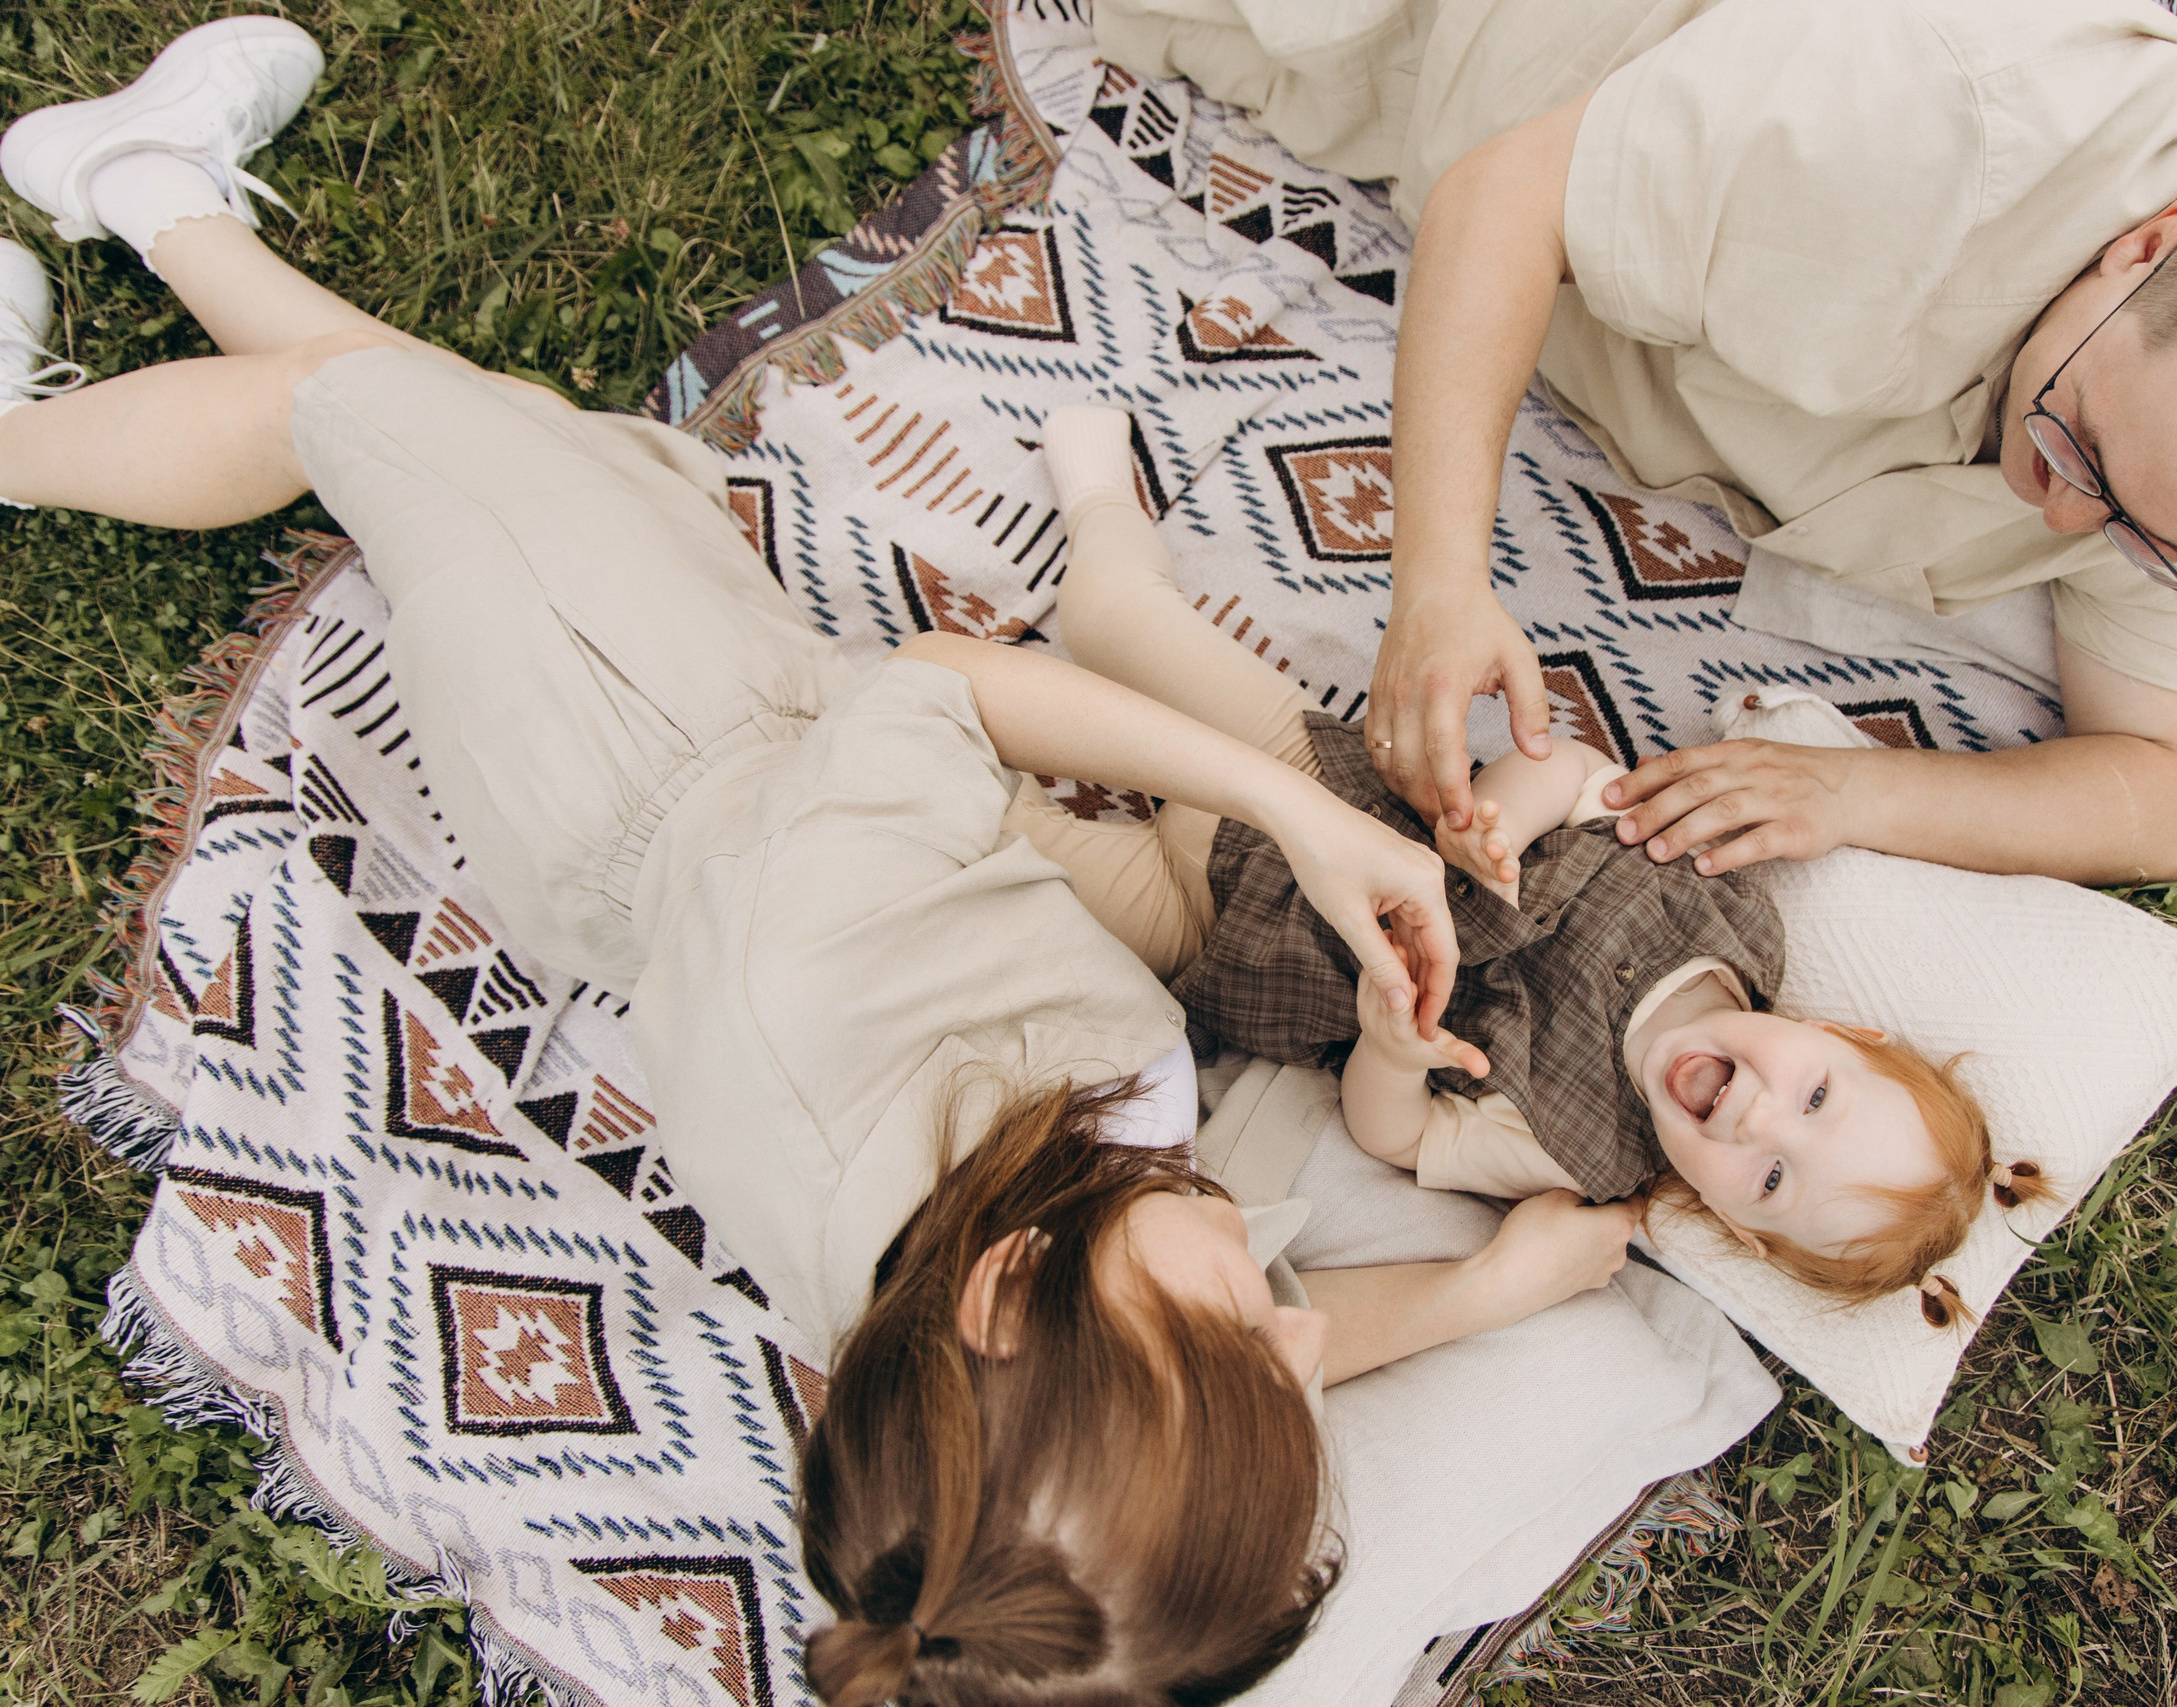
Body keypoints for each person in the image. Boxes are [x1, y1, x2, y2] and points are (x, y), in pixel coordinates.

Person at [0, 21, 1649, 1703]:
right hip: (753, 775)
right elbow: (1266, 1362)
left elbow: (941, 692)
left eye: (1255, 1346)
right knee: (477, 437)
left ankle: (39, 371)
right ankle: (163, 198)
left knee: (349, 416)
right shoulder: (1002, 1369)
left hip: (632, 715)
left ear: (1009, 1292)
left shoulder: (841, 1004)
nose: (1304, 1330)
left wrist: (1299, 807)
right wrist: (1476, 1296)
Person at [1093, 0, 2177, 885]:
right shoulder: (1923, 123)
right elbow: (1500, 198)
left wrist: (1855, 789)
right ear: (2144, 243)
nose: (2058, 526)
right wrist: (1439, 581)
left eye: (2138, 536)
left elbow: (2169, 791)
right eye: (2076, 445)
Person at [1015, 407, 2061, 1325]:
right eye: (1818, 1096)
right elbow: (1569, 769)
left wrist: (1390, 1050)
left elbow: (1397, 1139)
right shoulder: (1727, 902)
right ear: (1844, 1033)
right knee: (1113, 617)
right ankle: (1104, 503)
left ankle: (891, 722)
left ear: (1736, 1225)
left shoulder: (1581, 1156)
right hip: (1307, 778)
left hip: (1226, 937)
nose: (1755, 1119)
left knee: (998, 834)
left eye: (1773, 1178)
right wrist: (1498, 829)